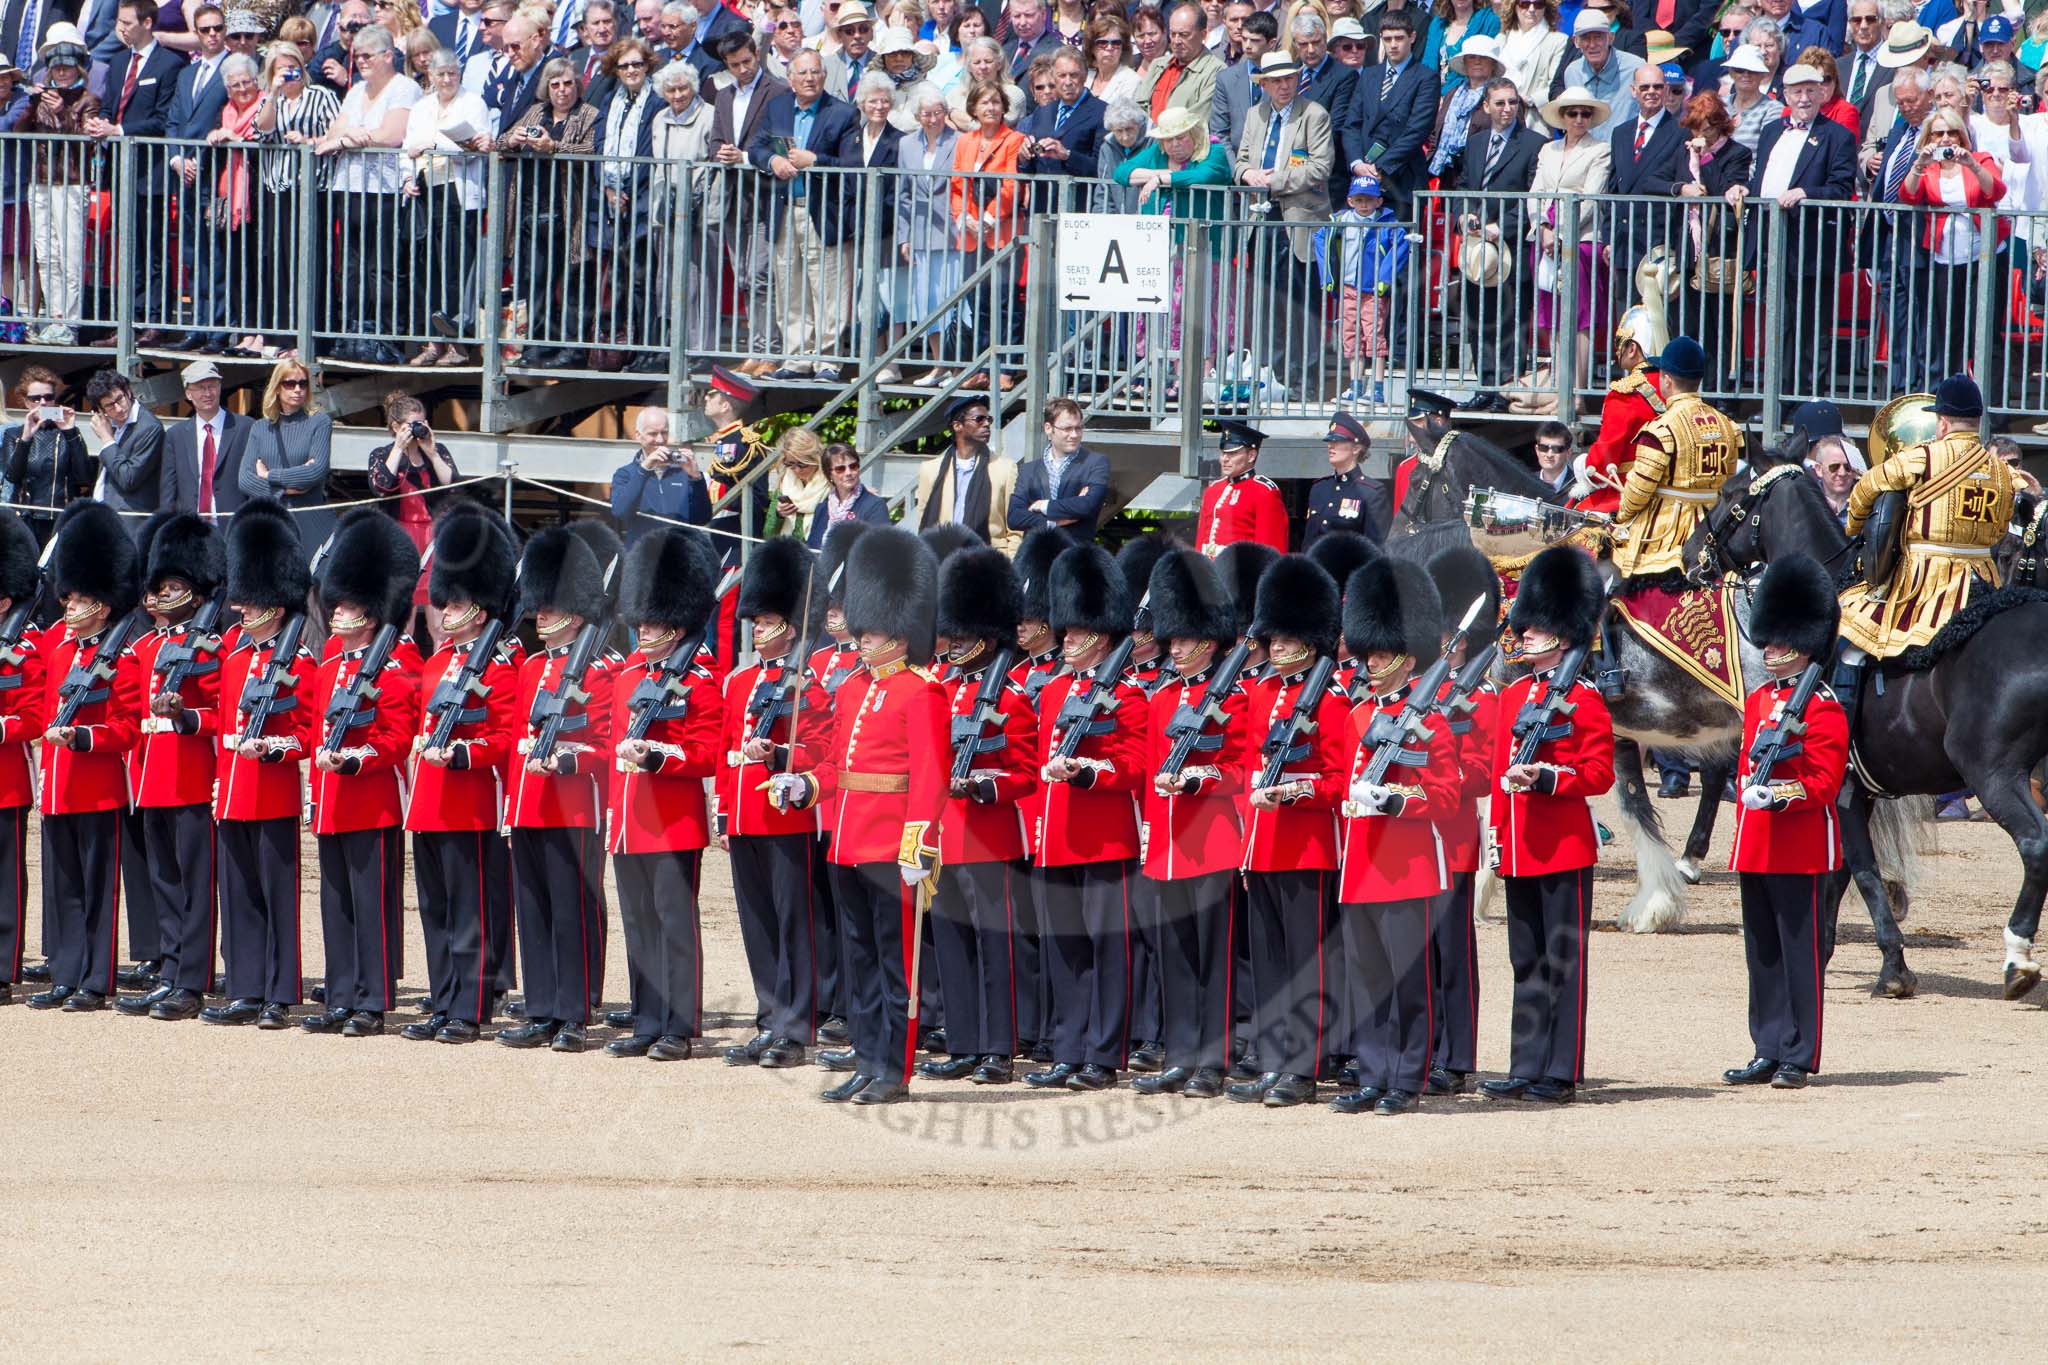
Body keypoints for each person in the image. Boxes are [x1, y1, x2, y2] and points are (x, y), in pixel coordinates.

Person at [767, 526, 947, 1106]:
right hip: (845, 842)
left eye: (872, 630)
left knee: (896, 967)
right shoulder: (851, 689)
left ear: (899, 632)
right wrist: (805, 784)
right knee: (859, 962)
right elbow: (836, 764)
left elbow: (930, 777)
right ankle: (868, 1060)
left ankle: (895, 1070)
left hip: (892, 846)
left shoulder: (922, 692)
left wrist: (918, 844)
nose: (861, 637)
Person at [1481, 545, 1614, 1105]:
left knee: (1561, 963)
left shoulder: (1583, 697)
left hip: (1562, 847)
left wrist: (1549, 778)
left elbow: (1599, 773)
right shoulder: (1513, 694)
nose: (1525, 634)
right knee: (1526, 961)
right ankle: (1526, 1064)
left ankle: (1559, 1071)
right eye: (1525, 627)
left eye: (1535, 628)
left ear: (1562, 634)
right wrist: (1497, 837)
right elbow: (1498, 774)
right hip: (1519, 846)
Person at [1016, 542, 1148, 1093]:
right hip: (1056, 837)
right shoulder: (1052, 692)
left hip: (1104, 838)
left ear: (1101, 636)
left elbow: (1134, 765)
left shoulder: (1128, 695)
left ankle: (1104, 1055)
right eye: (1065, 632)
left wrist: (1088, 772)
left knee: (1107, 949)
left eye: (1075, 633)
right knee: (1064, 949)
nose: (1065, 639)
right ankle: (1069, 1049)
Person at [1333, 558, 1462, 1114]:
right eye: (1369, 654)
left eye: (1381, 655)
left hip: (1408, 864)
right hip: (1360, 864)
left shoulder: (1429, 721)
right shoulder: (1357, 716)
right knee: (1367, 980)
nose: (1371, 664)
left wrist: (1394, 801)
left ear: (1407, 659)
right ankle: (1373, 1074)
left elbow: (1447, 796)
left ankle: (1407, 1078)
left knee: (1409, 982)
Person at [1234, 555, 1355, 1108]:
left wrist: (1294, 792)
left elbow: (1338, 780)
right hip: (1262, 845)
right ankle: (1273, 1058)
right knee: (1269, 962)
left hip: (1307, 846)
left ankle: (1304, 1067)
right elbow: (1249, 767)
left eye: (1285, 637)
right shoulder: (1261, 692)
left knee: (1308, 963)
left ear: (1309, 639)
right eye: (1273, 636)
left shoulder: (1330, 698)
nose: (1275, 644)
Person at [1127, 548, 1247, 1101]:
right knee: (1175, 958)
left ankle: (1213, 1060)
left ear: (1210, 641)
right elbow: (1153, 773)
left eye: (1184, 640)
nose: (1173, 648)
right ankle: (1179, 1056)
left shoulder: (1234, 698)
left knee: (1214, 961)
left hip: (1213, 841)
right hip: (1168, 844)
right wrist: (1152, 836)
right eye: (1171, 639)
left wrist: (1202, 779)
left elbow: (1241, 769)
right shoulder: (1162, 699)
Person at [1725, 553, 1848, 1092]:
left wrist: (1777, 796)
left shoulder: (1823, 707)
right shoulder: (1757, 700)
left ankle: (1799, 1053)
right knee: (1763, 953)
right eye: (1768, 640)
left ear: (1802, 643)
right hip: (1757, 844)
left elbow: (1823, 783)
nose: (1769, 649)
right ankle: (1767, 1047)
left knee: (1800, 954)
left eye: (1778, 642)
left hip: (1799, 844)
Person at [917, 545, 1038, 1084]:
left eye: (962, 637)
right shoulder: (941, 690)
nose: (953, 645)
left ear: (986, 640)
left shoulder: (1011, 698)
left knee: (995, 947)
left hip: (989, 837)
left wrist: (984, 786)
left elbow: (1026, 773)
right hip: (944, 837)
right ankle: (963, 1043)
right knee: (952, 946)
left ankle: (998, 1049)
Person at [499, 523, 620, 1053]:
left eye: (549, 607)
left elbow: (607, 744)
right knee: (534, 909)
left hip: (574, 807)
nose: (540, 614)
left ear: (573, 611)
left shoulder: (601, 669)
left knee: (572, 910)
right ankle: (542, 1007)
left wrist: (569, 760)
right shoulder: (530, 667)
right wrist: (511, 806)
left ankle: (574, 1012)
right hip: (530, 804)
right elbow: (516, 742)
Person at [605, 525, 723, 1062]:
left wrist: (656, 757)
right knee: (638, 924)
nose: (643, 628)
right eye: (641, 619)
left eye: (653, 621)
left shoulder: (699, 679)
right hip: (628, 822)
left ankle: (679, 1024)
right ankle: (647, 1017)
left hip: (672, 821)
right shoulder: (628, 674)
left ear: (676, 625)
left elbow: (706, 753)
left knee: (675, 926)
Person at [404, 505, 521, 1044]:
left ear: (478, 610)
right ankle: (444, 997)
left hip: (469, 803)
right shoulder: (435, 664)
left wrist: (461, 756)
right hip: (429, 804)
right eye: (445, 601)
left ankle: (469, 1008)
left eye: (455, 603)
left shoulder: (499, 667)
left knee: (469, 911)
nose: (445, 610)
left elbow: (502, 739)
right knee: (435, 910)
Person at [300, 511, 420, 1039]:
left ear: (370, 614)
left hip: (371, 800)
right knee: (336, 904)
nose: (338, 611)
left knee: (372, 905)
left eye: (348, 606)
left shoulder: (390, 668)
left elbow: (396, 738)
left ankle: (372, 1000)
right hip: (331, 799)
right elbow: (315, 730)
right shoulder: (329, 662)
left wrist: (355, 760)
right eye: (338, 603)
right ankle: (342, 993)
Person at [202, 500, 316, 1029]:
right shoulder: (235, 657)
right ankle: (246, 987)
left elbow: (308, 732)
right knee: (239, 895)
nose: (240, 608)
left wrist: (273, 749)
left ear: (275, 603)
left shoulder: (299, 661)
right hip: (231, 790)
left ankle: (279, 992)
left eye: (250, 601)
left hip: (271, 791)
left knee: (277, 894)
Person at [106, 513, 222, 1020]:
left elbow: (221, 713)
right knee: (165, 881)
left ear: (196, 594)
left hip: (191, 776)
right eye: (161, 586)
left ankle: (192, 981)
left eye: (174, 586)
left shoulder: (208, 646)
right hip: (150, 778)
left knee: (196, 884)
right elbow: (129, 713)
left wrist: (186, 715)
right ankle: (170, 970)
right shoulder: (145, 646)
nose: (163, 594)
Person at [28, 502, 144, 1013]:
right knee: (65, 887)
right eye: (69, 597)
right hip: (58, 788)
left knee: (98, 890)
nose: (70, 606)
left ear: (103, 605)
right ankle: (67, 972)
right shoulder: (59, 653)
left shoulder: (121, 658)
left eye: (80, 599)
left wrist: (82, 738)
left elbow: (126, 729)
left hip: (97, 789)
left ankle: (96, 978)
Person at [717, 537, 828, 1068]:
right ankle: (769, 1018)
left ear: (789, 625)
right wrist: (723, 814)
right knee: (757, 924)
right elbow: (726, 754)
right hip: (744, 819)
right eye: (755, 622)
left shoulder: (806, 682)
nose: (757, 629)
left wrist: (780, 753)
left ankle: (796, 1028)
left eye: (766, 622)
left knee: (793, 926)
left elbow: (820, 749)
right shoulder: (740, 682)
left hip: (785, 819)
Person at [1838, 374, 2015, 669]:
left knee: (1849, 625)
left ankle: (1845, 695)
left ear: (1942, 422)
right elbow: (2001, 529)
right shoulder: (2003, 472)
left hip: (1925, 583)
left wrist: (1853, 527)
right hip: (1984, 578)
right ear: (1977, 420)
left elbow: (1866, 487)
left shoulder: (1920, 457)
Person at [1420, 544, 1500, 1094]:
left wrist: (1438, 769)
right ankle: (1421, 1047)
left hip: (1450, 838)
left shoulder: (1479, 699)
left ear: (1461, 641)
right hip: (1408, 837)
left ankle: (1456, 1055)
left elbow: (1481, 772)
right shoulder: (1419, 692)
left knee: (1451, 951)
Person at [1726, 62, 1856, 398]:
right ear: (1785, 95)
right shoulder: (1772, 131)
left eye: (1811, 90)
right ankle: (1777, 398)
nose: (1804, 98)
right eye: (1797, 91)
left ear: (1822, 93)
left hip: (1811, 246)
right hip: (1773, 243)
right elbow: (1762, 180)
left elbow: (1842, 189)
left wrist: (1804, 193)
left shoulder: (1838, 136)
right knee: (1778, 324)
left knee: (1812, 329)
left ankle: (1808, 401)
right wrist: (1743, 190)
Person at [314, 22, 420, 365]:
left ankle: (387, 337)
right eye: (356, 56)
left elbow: (391, 134)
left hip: (384, 188)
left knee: (382, 266)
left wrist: (348, 138)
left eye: (367, 55)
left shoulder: (404, 87)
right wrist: (352, 136)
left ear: (388, 55)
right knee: (353, 265)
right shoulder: (356, 90)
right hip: (349, 185)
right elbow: (334, 130)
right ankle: (354, 331)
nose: (360, 61)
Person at [748, 50, 858, 381]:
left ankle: (827, 360)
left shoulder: (843, 113)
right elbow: (756, 148)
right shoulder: (778, 107)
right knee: (789, 287)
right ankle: (795, 357)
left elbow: (852, 166)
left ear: (824, 76)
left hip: (822, 212)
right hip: (784, 210)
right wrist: (773, 161)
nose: (810, 78)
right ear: (791, 79)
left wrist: (817, 161)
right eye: (803, 73)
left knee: (827, 287)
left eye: (815, 72)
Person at [89, 2, 188, 339]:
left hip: (153, 170)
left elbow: (164, 118)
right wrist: (100, 123)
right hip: (122, 170)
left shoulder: (170, 63)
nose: (121, 28)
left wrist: (119, 130)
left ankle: (155, 320)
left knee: (153, 247)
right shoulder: (119, 62)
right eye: (119, 22)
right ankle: (127, 320)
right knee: (128, 247)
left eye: (127, 22)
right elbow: (110, 106)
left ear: (147, 23)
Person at [496, 57, 599, 370]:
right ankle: (537, 344)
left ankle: (572, 349)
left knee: (572, 283)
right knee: (534, 281)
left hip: (569, 212)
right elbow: (501, 142)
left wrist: (552, 147)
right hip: (531, 208)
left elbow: (591, 150)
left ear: (577, 85)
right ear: (547, 88)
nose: (562, 90)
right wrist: (512, 140)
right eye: (555, 85)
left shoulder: (589, 114)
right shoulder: (535, 111)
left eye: (568, 83)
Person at [1899, 107, 2008, 390]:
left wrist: (1972, 165)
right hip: (1945, 259)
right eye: (1939, 134)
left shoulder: (1980, 158)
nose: (1946, 139)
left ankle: (1990, 400)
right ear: (1929, 138)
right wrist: (1919, 164)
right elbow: (1908, 195)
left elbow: (1995, 191)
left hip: (1983, 257)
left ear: (1962, 135)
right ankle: (1948, 397)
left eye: (1952, 132)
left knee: (1984, 331)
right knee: (1948, 332)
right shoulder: (1928, 167)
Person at [400, 46, 493, 366]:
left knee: (456, 267)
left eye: (452, 73)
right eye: (441, 74)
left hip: (459, 192)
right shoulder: (422, 107)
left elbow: (476, 146)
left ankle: (458, 344)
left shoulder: (473, 103)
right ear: (430, 76)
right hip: (428, 189)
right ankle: (433, 342)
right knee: (429, 269)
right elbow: (408, 147)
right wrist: (406, 178)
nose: (447, 79)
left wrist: (435, 143)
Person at [252, 41, 340, 356]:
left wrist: (309, 140)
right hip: (276, 188)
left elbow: (336, 134)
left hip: (310, 187)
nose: (289, 74)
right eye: (282, 69)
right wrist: (274, 92)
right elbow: (261, 130)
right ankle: (282, 336)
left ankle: (311, 337)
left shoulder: (321, 96)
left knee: (309, 261)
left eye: (293, 67)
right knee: (278, 260)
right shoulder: (269, 99)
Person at [1671, 89, 1753, 385]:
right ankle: (1693, 388)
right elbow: (1656, 179)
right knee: (1690, 324)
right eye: (1696, 129)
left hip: (1720, 250)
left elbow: (1724, 188)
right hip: (1690, 249)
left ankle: (1724, 392)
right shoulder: (1684, 150)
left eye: (1707, 129)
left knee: (1721, 325)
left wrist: (1705, 157)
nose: (1701, 135)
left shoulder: (1737, 153)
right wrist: (1680, 188)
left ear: (1720, 125)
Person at [1313, 175, 1406, 405]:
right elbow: (1320, 238)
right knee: (1350, 337)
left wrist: (1384, 279)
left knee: (1374, 336)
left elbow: (1400, 246)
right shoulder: (1340, 221)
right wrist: (1328, 276)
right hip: (1347, 288)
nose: (1364, 205)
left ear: (1379, 201)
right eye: (1359, 200)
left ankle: (1377, 389)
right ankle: (1355, 386)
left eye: (1369, 200)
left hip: (1374, 290)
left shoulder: (1388, 224)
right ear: (1350, 201)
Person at [0, 511, 41, 1008]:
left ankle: (2, 967)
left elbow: (33, 716)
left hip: (6, 777)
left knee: (5, 876)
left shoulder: (22, 650)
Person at [366, 391, 461, 605]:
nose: (418, 429)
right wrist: (399, 449)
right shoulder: (382, 454)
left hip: (433, 535)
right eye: (412, 425)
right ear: (396, 427)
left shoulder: (436, 451)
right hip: (400, 535)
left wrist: (432, 453)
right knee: (403, 605)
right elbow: (380, 487)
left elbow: (454, 487)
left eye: (422, 423)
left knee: (437, 604)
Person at [895, 86, 963, 386]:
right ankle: (939, 365)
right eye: (926, 114)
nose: (933, 119)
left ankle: (958, 367)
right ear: (917, 116)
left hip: (953, 232)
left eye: (938, 113)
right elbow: (904, 194)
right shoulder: (906, 144)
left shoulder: (959, 141)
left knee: (953, 299)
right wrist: (904, 237)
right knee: (927, 301)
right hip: (921, 231)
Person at [1343, 11, 1436, 216]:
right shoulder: (1369, 75)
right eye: (1387, 39)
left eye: (1399, 38)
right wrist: (1357, 163)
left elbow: (1417, 131)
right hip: (1363, 181)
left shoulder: (1426, 78)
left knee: (1400, 237)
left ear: (1412, 37)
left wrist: (1380, 167)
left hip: (1402, 182)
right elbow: (1351, 124)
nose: (1393, 45)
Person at [1577, 305, 1667, 515]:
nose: (1617, 351)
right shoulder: (1675, 387)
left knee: (1571, 521)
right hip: (1673, 495)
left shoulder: (1624, 395)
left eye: (1620, 343)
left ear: (1632, 349)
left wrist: (1585, 467)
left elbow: (1604, 458)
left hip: (1628, 493)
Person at [239, 360, 334, 546]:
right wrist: (285, 490)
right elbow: (245, 480)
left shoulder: (319, 422)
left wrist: (269, 475)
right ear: (277, 388)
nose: (298, 389)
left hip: (310, 524)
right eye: (290, 384)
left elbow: (316, 471)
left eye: (303, 383)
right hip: (268, 524)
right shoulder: (260, 427)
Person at [914, 395, 1021, 551]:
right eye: (979, 419)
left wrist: (1008, 561)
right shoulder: (930, 470)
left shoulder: (1005, 468)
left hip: (989, 558)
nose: (986, 424)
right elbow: (924, 519)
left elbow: (1015, 527)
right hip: (943, 556)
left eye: (988, 419)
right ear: (958, 426)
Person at [1, 367, 93, 539]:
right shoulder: (13, 434)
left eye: (48, 397)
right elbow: (12, 476)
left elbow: (85, 477)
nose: (43, 403)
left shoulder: (66, 434)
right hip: (25, 518)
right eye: (35, 399)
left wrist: (70, 432)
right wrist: (26, 438)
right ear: (26, 402)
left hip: (60, 519)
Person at [1008, 397, 1112, 542]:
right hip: (1037, 552)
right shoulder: (1028, 470)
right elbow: (1014, 517)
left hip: (1075, 552)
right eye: (1067, 429)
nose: (1074, 435)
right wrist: (1052, 523)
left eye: (1078, 428)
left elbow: (1088, 505)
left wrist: (1043, 505)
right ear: (1048, 428)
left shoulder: (1095, 463)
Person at [610, 405, 709, 545]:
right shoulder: (625, 474)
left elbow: (702, 518)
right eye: (653, 434)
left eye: (664, 432)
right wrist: (644, 469)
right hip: (642, 553)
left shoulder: (682, 471)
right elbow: (620, 512)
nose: (660, 439)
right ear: (638, 435)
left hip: (678, 552)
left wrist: (696, 478)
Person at [87, 368, 177, 514]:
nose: (118, 409)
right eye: (109, 405)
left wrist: (107, 439)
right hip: (104, 513)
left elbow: (128, 479)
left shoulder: (149, 427)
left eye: (119, 399)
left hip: (130, 519)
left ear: (128, 392)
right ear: (100, 409)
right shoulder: (109, 424)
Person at [1196, 421, 1288, 556]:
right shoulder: (1213, 490)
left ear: (1251, 456)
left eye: (1232, 454)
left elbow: (1270, 550)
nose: (1225, 459)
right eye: (1223, 453)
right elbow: (1201, 542)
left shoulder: (1264, 492)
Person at [1554, 6, 1640, 136]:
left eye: (1598, 37)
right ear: (1576, 42)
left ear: (1611, 38)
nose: (1592, 45)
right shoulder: (1572, 72)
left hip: (1623, 147)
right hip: (1585, 147)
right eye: (1585, 38)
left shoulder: (1635, 68)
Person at [1138, 1, 1223, 129]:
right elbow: (1138, 108)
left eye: (1184, 35)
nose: (1176, 41)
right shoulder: (1157, 65)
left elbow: (1195, 121)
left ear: (1203, 34)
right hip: (1146, 138)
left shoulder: (1216, 71)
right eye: (1173, 34)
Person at [1305, 411, 1380, 544]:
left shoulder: (1371, 493)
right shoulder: (1319, 488)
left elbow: (1375, 546)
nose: (1330, 446)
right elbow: (1308, 541)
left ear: (1356, 449)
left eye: (1338, 441)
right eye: (1330, 441)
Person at [1497, 0, 1569, 127]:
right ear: (1514, 6)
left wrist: (1530, 100)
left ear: (1546, 7)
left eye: (1538, 4)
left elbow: (1557, 85)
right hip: (1500, 118)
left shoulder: (1558, 41)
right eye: (1525, 4)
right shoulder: (1501, 39)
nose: (1531, 9)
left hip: (1534, 121)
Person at [765, 427, 832, 541]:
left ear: (815, 459)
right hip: (787, 548)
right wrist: (779, 515)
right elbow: (768, 534)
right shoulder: (784, 483)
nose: (797, 470)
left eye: (802, 464)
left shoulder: (831, 484)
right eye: (790, 464)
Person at [1086, 12, 1140, 104]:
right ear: (1092, 48)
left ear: (1123, 48)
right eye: (1102, 43)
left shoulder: (1132, 81)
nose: (1109, 48)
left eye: (1116, 43)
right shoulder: (1085, 76)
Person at [1532, 419, 1576, 499]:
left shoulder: (1580, 487)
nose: (1549, 455)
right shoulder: (1526, 482)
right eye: (1543, 448)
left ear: (1569, 453)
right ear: (1537, 450)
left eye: (1556, 449)